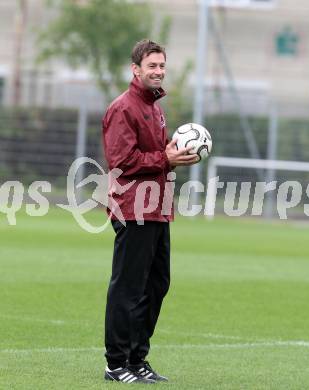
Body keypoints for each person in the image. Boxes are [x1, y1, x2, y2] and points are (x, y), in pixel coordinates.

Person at [102, 39, 198, 384]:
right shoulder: (123, 108)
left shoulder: (155, 109)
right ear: (136, 69)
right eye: (152, 66)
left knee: (157, 284)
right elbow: (122, 162)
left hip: (158, 208)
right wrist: (165, 158)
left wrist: (172, 154)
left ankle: (137, 359)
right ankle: (116, 363)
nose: (158, 72)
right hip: (133, 208)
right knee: (128, 287)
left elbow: (155, 159)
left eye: (162, 66)